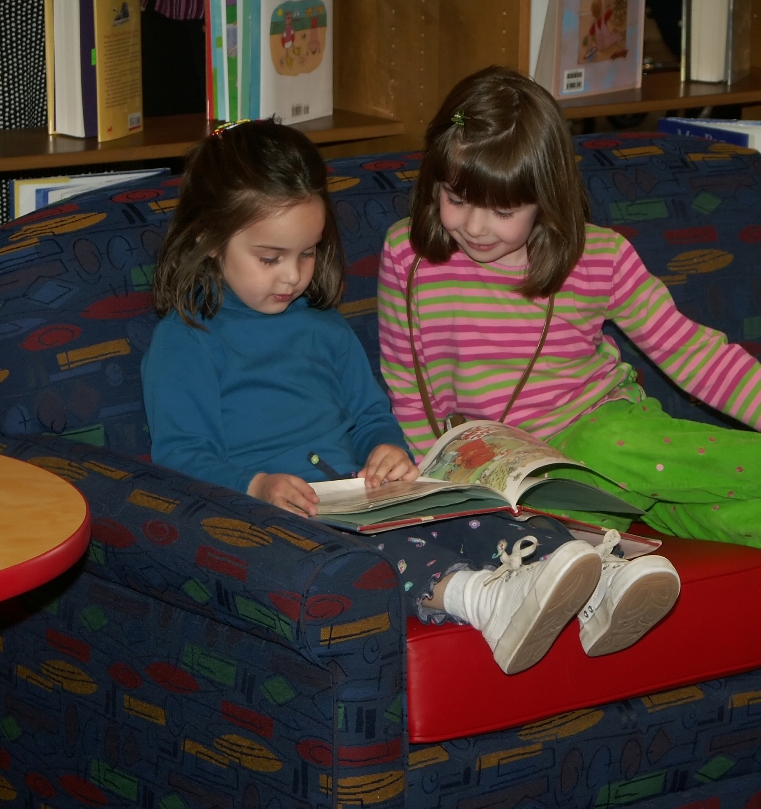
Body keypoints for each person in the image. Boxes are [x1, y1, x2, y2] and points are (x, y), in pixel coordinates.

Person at [377, 65, 761, 676]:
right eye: (456, 199)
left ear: (548, 197)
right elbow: (407, 382)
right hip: (529, 485)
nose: (474, 227)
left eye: (503, 210)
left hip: (614, 437)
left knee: (664, 467)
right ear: (434, 183)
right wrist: (437, 479)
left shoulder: (598, 258)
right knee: (718, 499)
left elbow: (699, 357)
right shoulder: (407, 256)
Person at [141, 117, 679, 677]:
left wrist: (385, 447)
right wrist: (257, 486)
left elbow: (369, 413)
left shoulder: (323, 330)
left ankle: (596, 580)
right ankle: (480, 599)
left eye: (308, 253)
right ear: (208, 239)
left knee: (476, 512)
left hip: (359, 501)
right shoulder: (186, 342)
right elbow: (180, 456)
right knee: (374, 558)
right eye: (270, 258)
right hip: (275, 524)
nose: (293, 277)